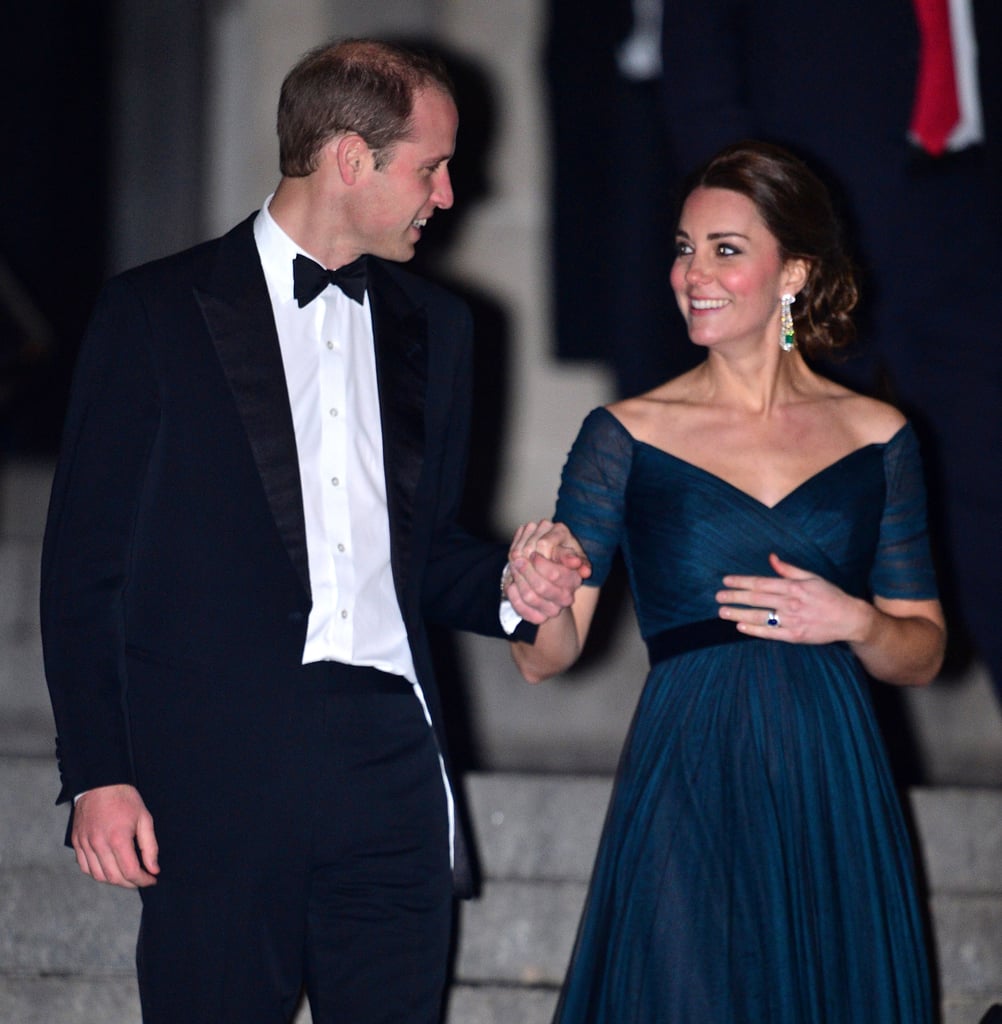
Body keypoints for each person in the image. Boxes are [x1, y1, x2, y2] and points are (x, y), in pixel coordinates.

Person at [39, 38, 587, 1024]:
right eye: (430, 166)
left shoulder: (444, 328)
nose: (450, 194)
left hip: (389, 764)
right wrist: (100, 771)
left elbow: (426, 557)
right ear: (349, 158)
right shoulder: (154, 314)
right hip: (216, 770)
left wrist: (517, 587)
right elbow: (85, 568)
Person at [511, 141, 946, 1022]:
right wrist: (535, 603)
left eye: (725, 249)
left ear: (794, 272)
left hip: (830, 765)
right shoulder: (627, 433)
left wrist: (855, 622)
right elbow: (544, 658)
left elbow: (924, 650)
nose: (693, 274)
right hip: (690, 766)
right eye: (683, 247)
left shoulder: (877, 435)